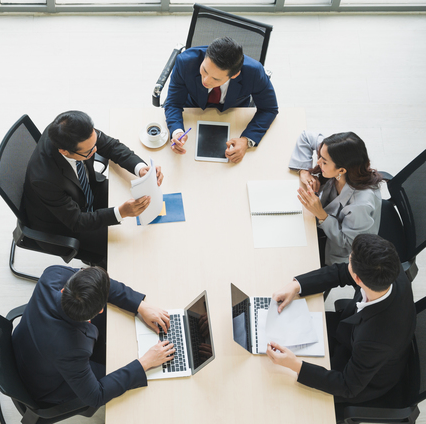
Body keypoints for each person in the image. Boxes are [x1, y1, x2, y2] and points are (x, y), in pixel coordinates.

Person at [266, 234, 416, 405]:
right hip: (351, 331)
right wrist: (296, 285)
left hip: (357, 376)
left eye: (350, 259)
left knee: (283, 393)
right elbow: (341, 272)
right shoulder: (388, 270)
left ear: (358, 279)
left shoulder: (376, 339)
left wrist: (294, 365)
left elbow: (347, 386)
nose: (347, 262)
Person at [12, 265, 175, 408]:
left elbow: (92, 284)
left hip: (28, 340)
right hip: (46, 383)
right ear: (99, 311)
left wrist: (140, 306)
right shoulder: (73, 350)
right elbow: (95, 396)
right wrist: (146, 362)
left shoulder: (53, 275)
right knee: (117, 365)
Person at [22, 110, 163, 267]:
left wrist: (140, 168)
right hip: (62, 225)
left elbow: (110, 145)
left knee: (131, 200)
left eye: (95, 143)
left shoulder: (72, 132)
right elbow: (76, 221)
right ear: (64, 151)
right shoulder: (44, 179)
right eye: (89, 152)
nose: (96, 150)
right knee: (124, 247)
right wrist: (121, 212)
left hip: (84, 189)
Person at [164, 37, 278, 163]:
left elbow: (269, 109)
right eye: (204, 70)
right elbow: (173, 102)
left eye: (216, 79)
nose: (205, 81)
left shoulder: (254, 72)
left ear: (234, 75)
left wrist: (246, 140)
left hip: (233, 113)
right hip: (194, 108)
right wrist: (177, 131)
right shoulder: (185, 62)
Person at [289, 130, 383, 266]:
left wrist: (321, 215)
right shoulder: (331, 152)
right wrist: (303, 170)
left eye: (324, 162)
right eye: (320, 156)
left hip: (340, 248)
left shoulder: (360, 205)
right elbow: (306, 137)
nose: (318, 162)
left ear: (342, 170)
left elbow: (348, 243)